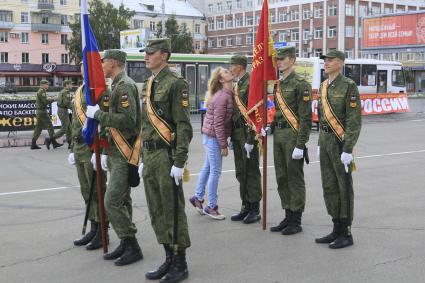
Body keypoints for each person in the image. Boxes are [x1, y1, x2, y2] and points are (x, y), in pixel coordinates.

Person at [139, 38, 192, 283]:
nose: (146, 57)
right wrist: (140, 157)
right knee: (156, 210)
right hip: (150, 156)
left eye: (151, 53)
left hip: (166, 155)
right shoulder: (149, 84)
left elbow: (183, 126)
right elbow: (145, 125)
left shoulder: (175, 84)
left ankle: (180, 262)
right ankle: (168, 256)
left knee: (172, 210)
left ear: (164, 55)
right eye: (146, 53)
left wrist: (180, 161)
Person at [86, 49, 143, 265]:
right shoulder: (117, 85)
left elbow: (128, 121)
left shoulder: (125, 85)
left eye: (104, 62)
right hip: (114, 150)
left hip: (123, 152)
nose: (101, 66)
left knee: (111, 201)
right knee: (122, 199)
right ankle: (125, 242)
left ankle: (132, 245)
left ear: (113, 63)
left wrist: (98, 115)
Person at [315, 50, 361, 249]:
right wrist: (319, 144)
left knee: (343, 187)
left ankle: (346, 232)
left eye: (330, 60)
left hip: (340, 143)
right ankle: (335, 227)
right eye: (325, 60)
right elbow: (322, 118)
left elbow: (354, 120)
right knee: (329, 186)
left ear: (340, 63)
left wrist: (348, 148)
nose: (326, 63)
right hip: (325, 141)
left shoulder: (349, 86)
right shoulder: (324, 86)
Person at [269, 47, 312, 235]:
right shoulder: (278, 84)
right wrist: (269, 127)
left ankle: (296, 218)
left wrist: (300, 144)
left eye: (282, 59)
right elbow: (278, 113)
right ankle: (287, 214)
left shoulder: (301, 84)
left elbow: (306, 118)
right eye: (277, 59)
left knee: (294, 178)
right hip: (278, 136)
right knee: (281, 177)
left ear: (292, 60)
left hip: (293, 136)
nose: (278, 62)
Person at [69, 64, 107, 250]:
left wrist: (101, 150)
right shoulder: (80, 90)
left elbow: (103, 119)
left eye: (87, 65)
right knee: (86, 191)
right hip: (78, 146)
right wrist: (71, 148)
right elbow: (73, 121)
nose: (84, 68)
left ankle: (102, 231)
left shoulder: (97, 90)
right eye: (82, 66)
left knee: (97, 191)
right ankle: (93, 226)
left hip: (91, 146)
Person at [189, 67, 234, 220]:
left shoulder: (225, 94)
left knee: (207, 168)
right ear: (221, 80)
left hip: (209, 137)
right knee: (215, 171)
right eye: (226, 72)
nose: (230, 72)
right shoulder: (222, 97)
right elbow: (218, 124)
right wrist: (223, 145)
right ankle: (212, 206)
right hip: (214, 138)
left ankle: (197, 198)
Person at [229, 55, 262, 224]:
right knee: (241, 172)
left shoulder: (250, 84)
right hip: (237, 134)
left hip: (248, 134)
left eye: (232, 66)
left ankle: (255, 208)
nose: (230, 69)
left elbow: (255, 114)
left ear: (240, 67)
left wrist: (251, 139)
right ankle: (245, 205)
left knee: (251, 172)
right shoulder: (238, 84)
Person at [31, 80, 63, 150]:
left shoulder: (41, 91)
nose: (47, 86)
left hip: (39, 111)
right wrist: (53, 99)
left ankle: (33, 144)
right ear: (42, 85)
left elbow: (44, 100)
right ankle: (53, 142)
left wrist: (50, 98)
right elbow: (45, 102)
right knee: (50, 126)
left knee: (38, 128)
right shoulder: (42, 91)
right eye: (46, 84)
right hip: (42, 111)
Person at [53, 80, 73, 149]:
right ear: (67, 85)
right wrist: (73, 109)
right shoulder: (66, 92)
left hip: (63, 110)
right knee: (64, 128)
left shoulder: (63, 91)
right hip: (63, 111)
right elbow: (66, 103)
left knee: (69, 128)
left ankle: (70, 143)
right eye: (70, 84)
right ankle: (51, 139)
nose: (72, 86)